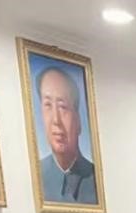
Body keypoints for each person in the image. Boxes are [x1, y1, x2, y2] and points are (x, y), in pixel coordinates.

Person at [35, 66, 97, 204]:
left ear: (78, 120)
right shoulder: (34, 175)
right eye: (48, 105)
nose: (56, 120)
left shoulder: (97, 179)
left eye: (63, 107)